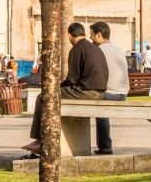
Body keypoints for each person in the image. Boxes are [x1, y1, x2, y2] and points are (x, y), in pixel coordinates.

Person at [20, 24, 107, 157]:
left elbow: (72, 79)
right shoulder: (94, 48)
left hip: (86, 93)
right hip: (100, 93)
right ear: (83, 33)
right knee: (51, 95)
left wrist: (55, 88)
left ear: (69, 35)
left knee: (43, 97)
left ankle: (39, 138)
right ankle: (42, 137)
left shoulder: (77, 49)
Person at [90, 22, 130, 155]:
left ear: (98, 35)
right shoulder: (118, 49)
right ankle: (104, 145)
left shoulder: (99, 50)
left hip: (110, 93)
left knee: (100, 111)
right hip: (123, 93)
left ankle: (105, 147)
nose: (91, 38)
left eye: (92, 35)